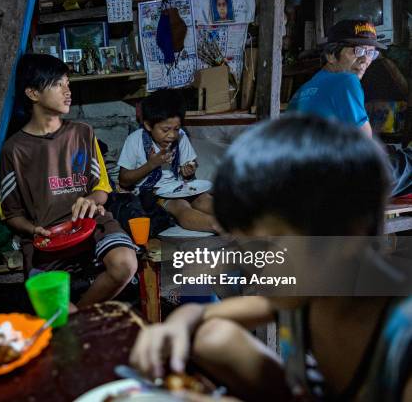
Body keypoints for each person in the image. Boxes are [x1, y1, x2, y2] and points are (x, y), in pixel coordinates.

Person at [130, 115, 412, 401]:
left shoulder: (402, 338)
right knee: (211, 335)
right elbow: (200, 315)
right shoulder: (310, 288)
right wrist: (174, 327)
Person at [0, 53, 138, 307]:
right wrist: (33, 230)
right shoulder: (14, 150)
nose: (67, 91)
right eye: (58, 84)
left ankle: (80, 314)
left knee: (125, 264)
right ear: (33, 94)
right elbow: (11, 214)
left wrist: (90, 199)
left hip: (92, 225)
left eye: (68, 83)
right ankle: (76, 318)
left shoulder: (82, 132)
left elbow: (101, 189)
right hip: (47, 240)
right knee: (61, 313)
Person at [288, 18, 412, 197]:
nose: (365, 60)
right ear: (331, 55)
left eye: (371, 53)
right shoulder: (346, 80)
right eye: (358, 50)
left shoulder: (305, 88)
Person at [117, 89, 220, 233]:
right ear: (148, 125)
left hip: (181, 187)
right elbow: (124, 180)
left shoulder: (181, 137)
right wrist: (152, 164)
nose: (172, 135)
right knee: (181, 207)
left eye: (176, 129)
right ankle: (220, 227)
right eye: (165, 130)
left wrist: (189, 168)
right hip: (154, 194)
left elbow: (191, 162)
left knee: (206, 200)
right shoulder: (135, 140)